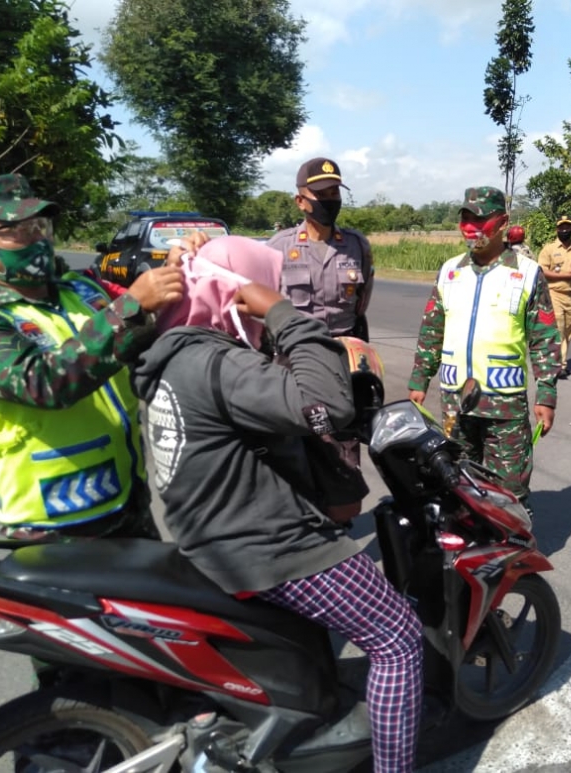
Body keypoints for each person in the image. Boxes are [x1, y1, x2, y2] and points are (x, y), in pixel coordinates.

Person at [133, 235, 423, 773]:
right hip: (269, 546)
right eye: (263, 287)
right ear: (237, 295)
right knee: (398, 638)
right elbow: (328, 406)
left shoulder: (170, 353)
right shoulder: (220, 363)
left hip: (210, 538)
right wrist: (286, 316)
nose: (270, 299)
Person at [0, 173, 186, 540]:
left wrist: (176, 271)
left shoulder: (81, 291)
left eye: (40, 226)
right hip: (55, 528)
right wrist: (130, 307)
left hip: (129, 500)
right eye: (19, 231)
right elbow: (46, 383)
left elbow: (135, 335)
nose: (38, 239)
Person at [408, 186, 561, 513]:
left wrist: (546, 393)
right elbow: (432, 330)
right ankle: (468, 543)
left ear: (502, 222)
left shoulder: (526, 273)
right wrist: (419, 379)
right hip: (455, 402)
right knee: (458, 485)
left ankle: (512, 545)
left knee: (509, 492)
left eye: (480, 220)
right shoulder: (450, 272)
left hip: (504, 406)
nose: (471, 227)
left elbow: (544, 337)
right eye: (466, 219)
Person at [268, 157, 374, 342]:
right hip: (297, 345)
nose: (329, 201)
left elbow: (362, 300)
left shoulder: (357, 245)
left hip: (345, 342)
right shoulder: (279, 246)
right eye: (321, 195)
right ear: (300, 201)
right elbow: (266, 301)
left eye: (334, 193)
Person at [537, 215, 571, 378]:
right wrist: (564, 276)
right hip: (555, 294)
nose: (565, 230)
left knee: (569, 329)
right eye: (562, 227)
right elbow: (542, 271)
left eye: (567, 227)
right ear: (557, 229)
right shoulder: (549, 249)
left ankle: (556, 361)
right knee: (558, 329)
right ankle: (559, 365)